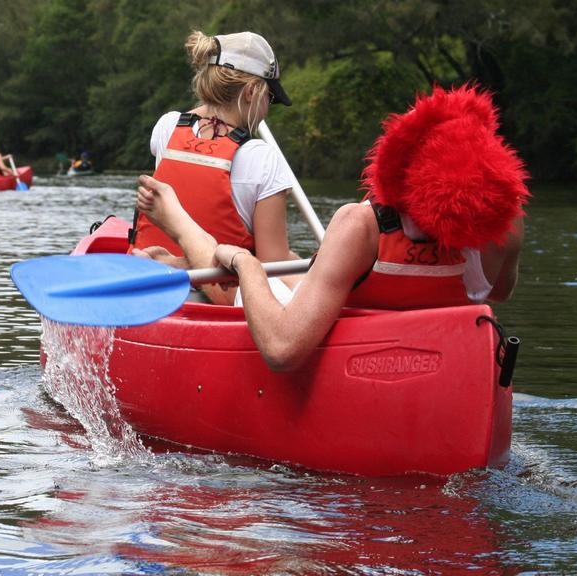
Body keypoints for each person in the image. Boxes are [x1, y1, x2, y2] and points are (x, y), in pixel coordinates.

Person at [136, 84, 529, 372]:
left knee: (243, 265)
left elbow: (282, 350)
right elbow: (498, 291)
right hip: (439, 359)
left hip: (333, 335)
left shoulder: (361, 224)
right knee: (294, 266)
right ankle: (182, 260)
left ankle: (182, 228)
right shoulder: (506, 225)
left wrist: (243, 261)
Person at [130, 30, 297, 304]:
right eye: (270, 98)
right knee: (299, 275)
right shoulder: (262, 157)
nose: (268, 108)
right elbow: (273, 266)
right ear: (251, 92)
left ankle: (180, 263)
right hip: (219, 300)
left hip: (151, 287)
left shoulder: (167, 127)